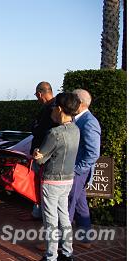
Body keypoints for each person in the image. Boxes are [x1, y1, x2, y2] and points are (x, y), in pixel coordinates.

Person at [32, 92, 81, 261]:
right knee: (64, 217)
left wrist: (37, 153)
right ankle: (68, 253)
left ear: (59, 109)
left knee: (50, 220)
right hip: (68, 179)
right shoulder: (76, 129)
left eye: (53, 109)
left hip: (51, 180)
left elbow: (40, 159)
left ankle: (51, 256)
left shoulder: (54, 133)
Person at [21, 81, 58, 222]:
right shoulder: (51, 107)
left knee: (41, 185)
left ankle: (42, 215)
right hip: (42, 153)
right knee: (39, 184)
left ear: (40, 93)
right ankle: (38, 212)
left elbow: (41, 130)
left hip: (43, 155)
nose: (37, 98)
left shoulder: (51, 108)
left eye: (37, 95)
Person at [69, 89, 101, 248]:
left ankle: (59, 243)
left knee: (67, 207)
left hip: (78, 172)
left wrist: (76, 170)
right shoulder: (78, 119)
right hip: (78, 172)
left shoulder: (89, 122)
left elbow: (93, 153)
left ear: (80, 103)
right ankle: (86, 238)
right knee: (81, 206)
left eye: (71, 99)